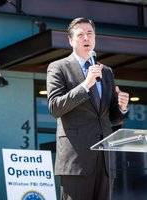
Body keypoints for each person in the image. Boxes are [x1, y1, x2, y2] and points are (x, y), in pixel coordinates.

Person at [46, 17, 129, 200]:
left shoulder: (106, 71)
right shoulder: (58, 67)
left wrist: (122, 108)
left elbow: (109, 117)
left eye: (90, 34)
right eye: (80, 34)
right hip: (77, 160)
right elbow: (55, 107)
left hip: (105, 160)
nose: (86, 38)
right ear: (70, 40)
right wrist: (85, 85)